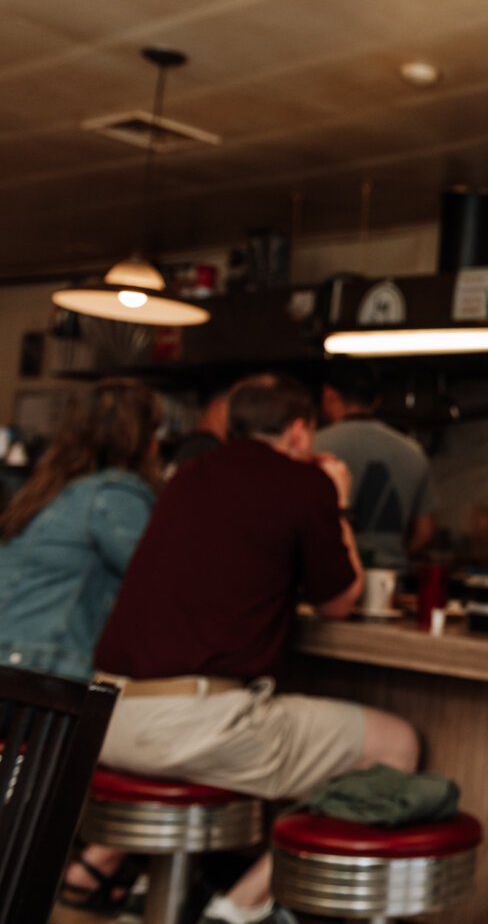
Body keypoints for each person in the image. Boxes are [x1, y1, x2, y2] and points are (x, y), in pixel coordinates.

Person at [86, 373, 419, 924]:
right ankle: (239, 908)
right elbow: (339, 602)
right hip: (190, 723)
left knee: (228, 743)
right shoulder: (301, 483)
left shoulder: (186, 475)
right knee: (397, 746)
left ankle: (148, 887)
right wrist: (338, 501)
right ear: (297, 432)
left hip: (108, 716)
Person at [0, 378, 162, 682]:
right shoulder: (113, 494)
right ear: (139, 438)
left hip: (13, 664)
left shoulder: (45, 491)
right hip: (42, 671)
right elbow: (161, 581)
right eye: (155, 431)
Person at [315, 362, 436, 568]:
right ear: (377, 401)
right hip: (388, 579)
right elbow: (424, 531)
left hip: (330, 579)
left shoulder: (314, 447)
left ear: (329, 395)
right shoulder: (413, 451)